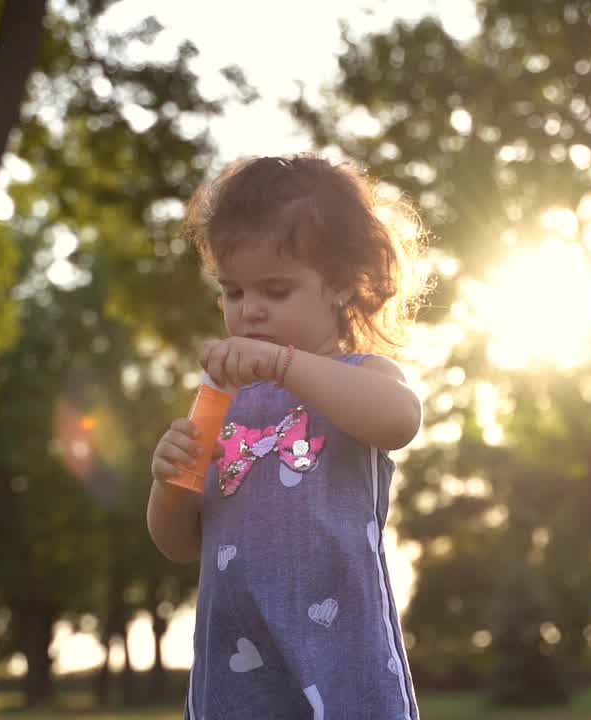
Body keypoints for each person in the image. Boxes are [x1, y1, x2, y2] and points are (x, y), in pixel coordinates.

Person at [148, 154, 430, 719]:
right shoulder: (222, 403)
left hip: (339, 656)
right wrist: (168, 482)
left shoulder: (360, 377)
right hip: (237, 665)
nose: (249, 312)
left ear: (344, 286)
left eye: (275, 291)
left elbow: (399, 420)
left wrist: (282, 364)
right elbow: (179, 544)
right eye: (232, 292)